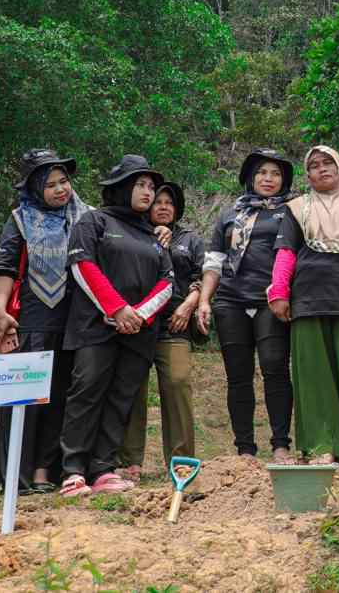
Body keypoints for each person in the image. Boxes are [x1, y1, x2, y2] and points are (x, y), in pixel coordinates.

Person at [60, 155, 174, 497]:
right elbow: (82, 265)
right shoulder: (93, 221)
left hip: (139, 332)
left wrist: (138, 315)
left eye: (151, 187)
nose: (148, 192)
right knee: (87, 391)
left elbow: (167, 281)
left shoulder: (154, 234)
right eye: (140, 184)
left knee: (121, 398)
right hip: (95, 327)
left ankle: (103, 469)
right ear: (121, 188)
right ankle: (72, 470)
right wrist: (117, 309)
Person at [0, 148, 92, 494]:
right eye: (51, 185)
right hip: (30, 318)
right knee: (24, 399)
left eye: (64, 181)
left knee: (60, 397)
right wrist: (0, 309)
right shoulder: (20, 219)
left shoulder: (87, 217)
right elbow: (5, 267)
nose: (61, 189)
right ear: (34, 189)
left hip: (73, 319)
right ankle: (16, 474)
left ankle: (47, 471)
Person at [267, 146, 339, 465]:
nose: (321, 169)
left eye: (328, 162)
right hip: (308, 295)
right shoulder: (298, 207)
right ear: (308, 175)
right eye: (314, 166)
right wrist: (278, 293)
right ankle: (321, 446)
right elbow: (286, 252)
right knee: (313, 374)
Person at [198, 149, 297, 463]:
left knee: (275, 368)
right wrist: (204, 300)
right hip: (230, 300)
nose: (268, 179)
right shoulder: (230, 214)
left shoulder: (293, 211)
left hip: (271, 300)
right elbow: (215, 261)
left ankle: (281, 444)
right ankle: (245, 449)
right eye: (262, 173)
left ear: (284, 180)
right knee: (238, 375)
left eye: (275, 174)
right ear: (250, 178)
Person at [118, 182, 203, 477]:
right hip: (139, 323)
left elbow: (202, 275)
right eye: (158, 202)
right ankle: (129, 462)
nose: (164, 207)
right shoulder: (132, 232)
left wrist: (189, 305)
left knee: (178, 383)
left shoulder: (189, 239)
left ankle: (181, 461)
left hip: (174, 323)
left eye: (169, 202)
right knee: (133, 388)